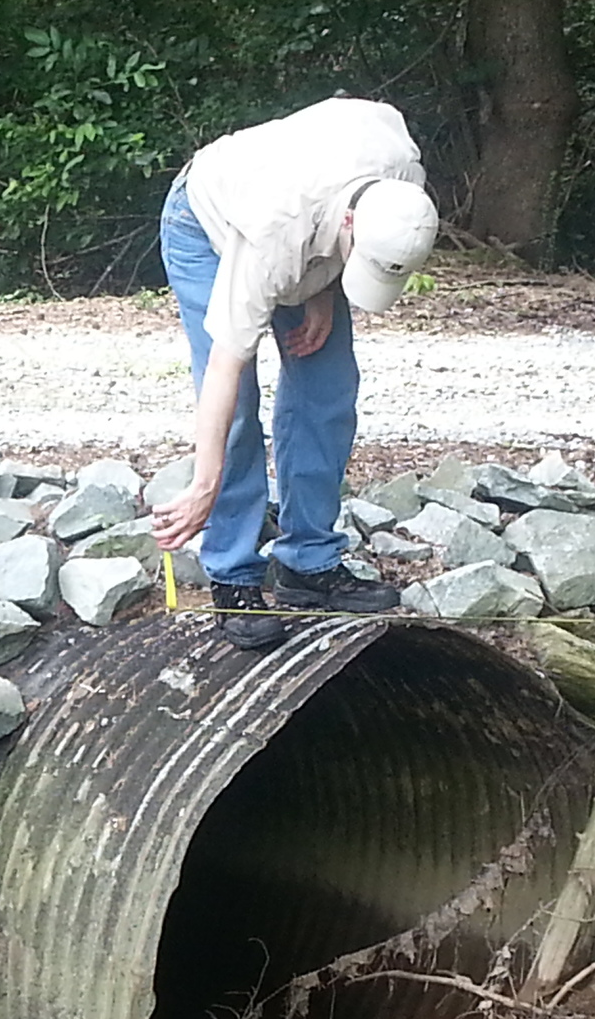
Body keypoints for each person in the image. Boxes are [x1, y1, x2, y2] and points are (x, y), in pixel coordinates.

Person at [148, 97, 440, 650]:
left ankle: (308, 564)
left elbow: (350, 140)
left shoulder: (403, 189)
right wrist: (202, 488)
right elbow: (224, 372)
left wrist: (324, 289)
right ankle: (233, 575)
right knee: (238, 412)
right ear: (348, 226)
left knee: (328, 391)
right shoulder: (273, 231)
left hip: (314, 219)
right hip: (209, 221)